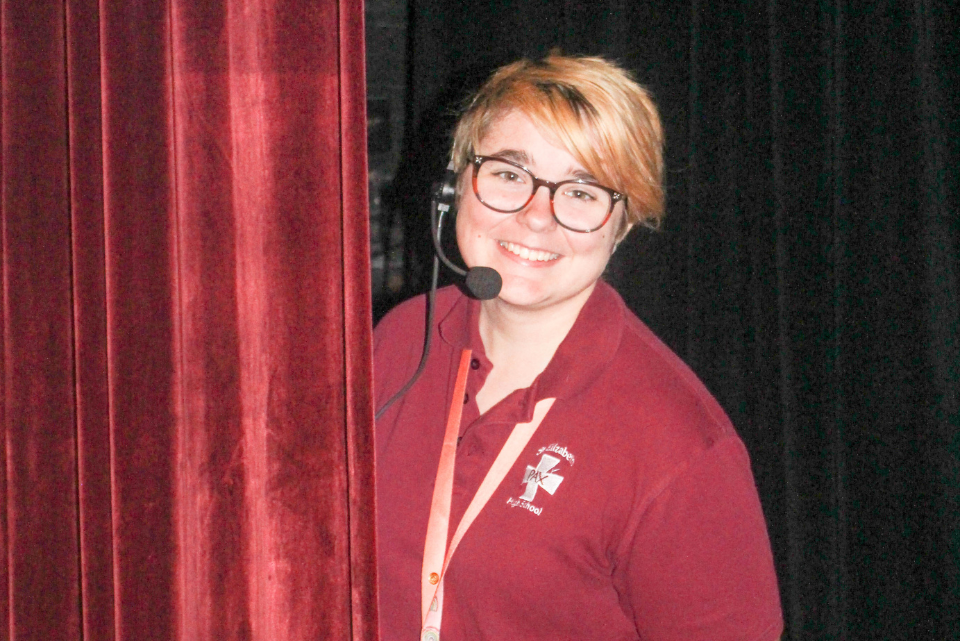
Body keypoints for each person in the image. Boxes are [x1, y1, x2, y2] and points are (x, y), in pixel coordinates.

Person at [374, 54, 783, 641]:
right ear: (455, 185)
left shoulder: (683, 446)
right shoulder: (401, 340)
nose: (536, 217)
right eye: (509, 175)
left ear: (623, 223)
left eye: (581, 192)